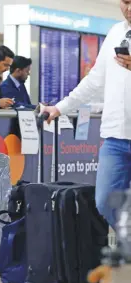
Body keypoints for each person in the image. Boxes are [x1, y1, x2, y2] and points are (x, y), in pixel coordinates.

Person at [40, 0, 131, 230]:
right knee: (104, 202)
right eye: (125, 2)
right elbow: (94, 81)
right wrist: (61, 107)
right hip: (115, 137)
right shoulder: (115, 33)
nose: (128, 9)